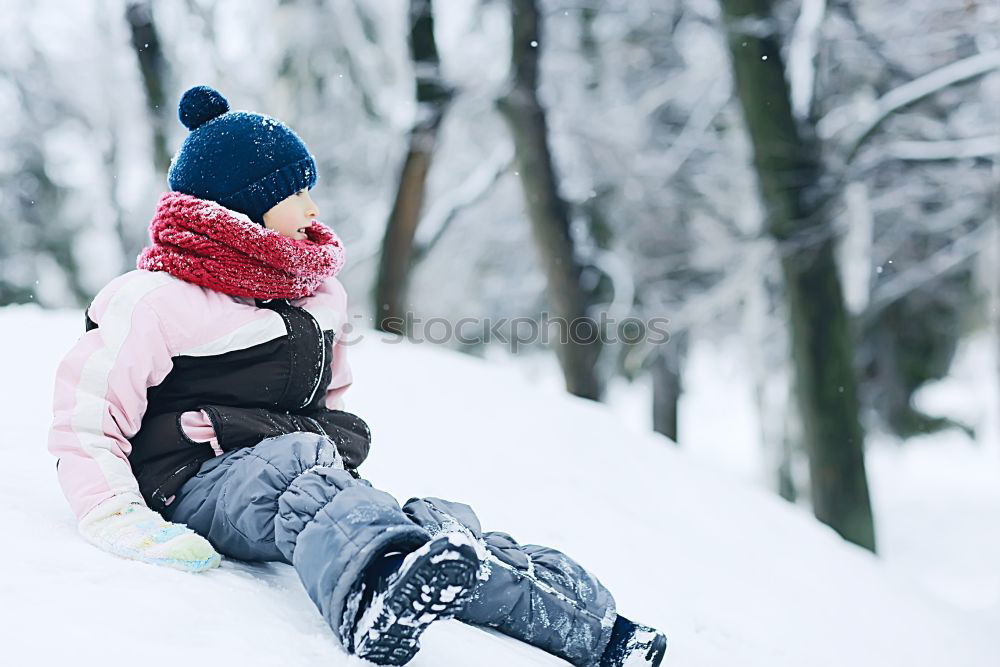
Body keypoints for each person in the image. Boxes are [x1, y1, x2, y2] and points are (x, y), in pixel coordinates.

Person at [48, 85, 667, 667]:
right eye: (294, 194)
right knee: (296, 470)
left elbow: (328, 394)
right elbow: (87, 414)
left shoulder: (317, 298)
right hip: (188, 480)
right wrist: (115, 512)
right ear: (244, 205)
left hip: (297, 470)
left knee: (427, 528)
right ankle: (372, 596)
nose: (312, 208)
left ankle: (589, 628)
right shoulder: (157, 300)